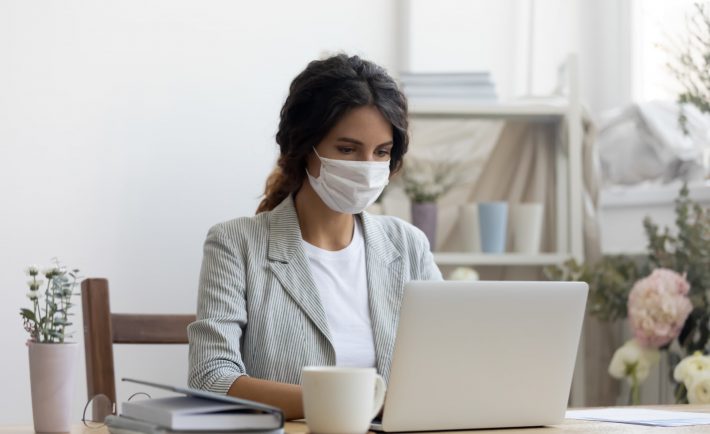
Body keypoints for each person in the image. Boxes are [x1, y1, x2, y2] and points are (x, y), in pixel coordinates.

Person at [187, 53, 442, 420]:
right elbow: (210, 378)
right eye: (347, 149)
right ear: (305, 148)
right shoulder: (236, 243)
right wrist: (351, 403)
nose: (367, 167)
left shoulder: (408, 245)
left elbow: (446, 364)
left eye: (381, 152)